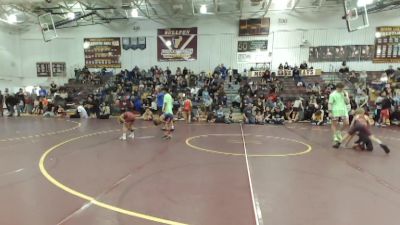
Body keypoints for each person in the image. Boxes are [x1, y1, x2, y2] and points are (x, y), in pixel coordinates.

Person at [328, 83, 350, 148]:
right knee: (334, 124)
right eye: (340, 88)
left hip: (344, 110)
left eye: (343, 88)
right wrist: (330, 112)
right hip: (335, 110)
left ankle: (339, 132)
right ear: (337, 88)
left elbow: (347, 102)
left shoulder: (345, 93)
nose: (342, 90)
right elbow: (330, 103)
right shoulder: (332, 94)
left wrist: (346, 96)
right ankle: (335, 136)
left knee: (346, 123)